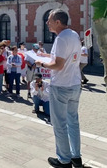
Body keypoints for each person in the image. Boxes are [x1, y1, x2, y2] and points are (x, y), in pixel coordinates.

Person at [35, 9, 83, 168]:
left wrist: (41, 63)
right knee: (73, 122)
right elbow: (62, 58)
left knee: (60, 124)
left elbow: (58, 65)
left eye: (49, 20)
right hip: (74, 84)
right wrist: (45, 56)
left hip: (61, 86)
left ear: (57, 22)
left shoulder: (61, 38)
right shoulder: (74, 35)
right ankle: (76, 157)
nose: (47, 23)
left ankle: (64, 159)